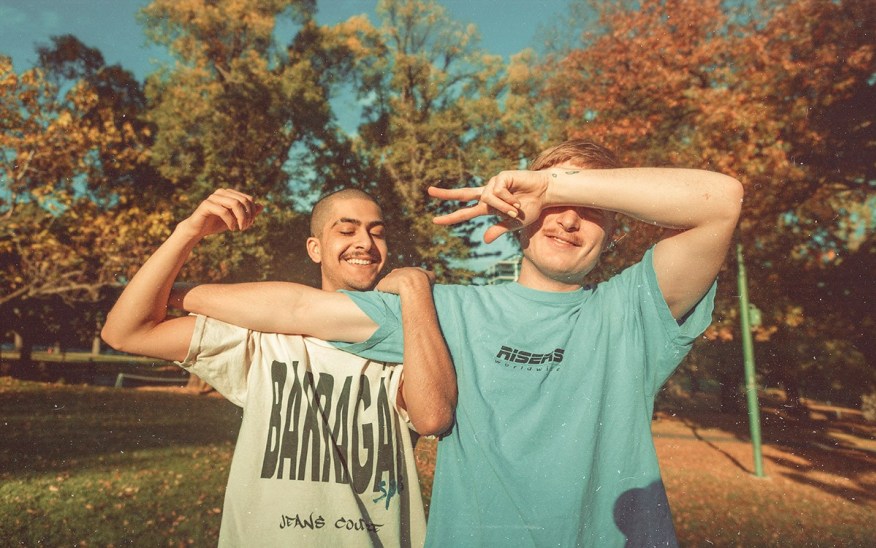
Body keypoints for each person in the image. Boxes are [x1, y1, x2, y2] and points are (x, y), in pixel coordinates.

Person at [175, 140, 744, 546]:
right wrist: (176, 292)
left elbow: (721, 201)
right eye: (553, 206)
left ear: (615, 228)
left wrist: (552, 185)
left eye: (592, 210)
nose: (569, 221)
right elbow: (298, 308)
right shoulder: (446, 310)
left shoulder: (633, 310)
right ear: (520, 219)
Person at [101, 187, 456, 547]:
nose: (365, 242)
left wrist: (415, 290)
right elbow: (126, 332)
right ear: (314, 249)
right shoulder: (262, 339)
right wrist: (188, 232)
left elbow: (433, 417)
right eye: (347, 230)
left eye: (377, 233)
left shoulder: (409, 342)